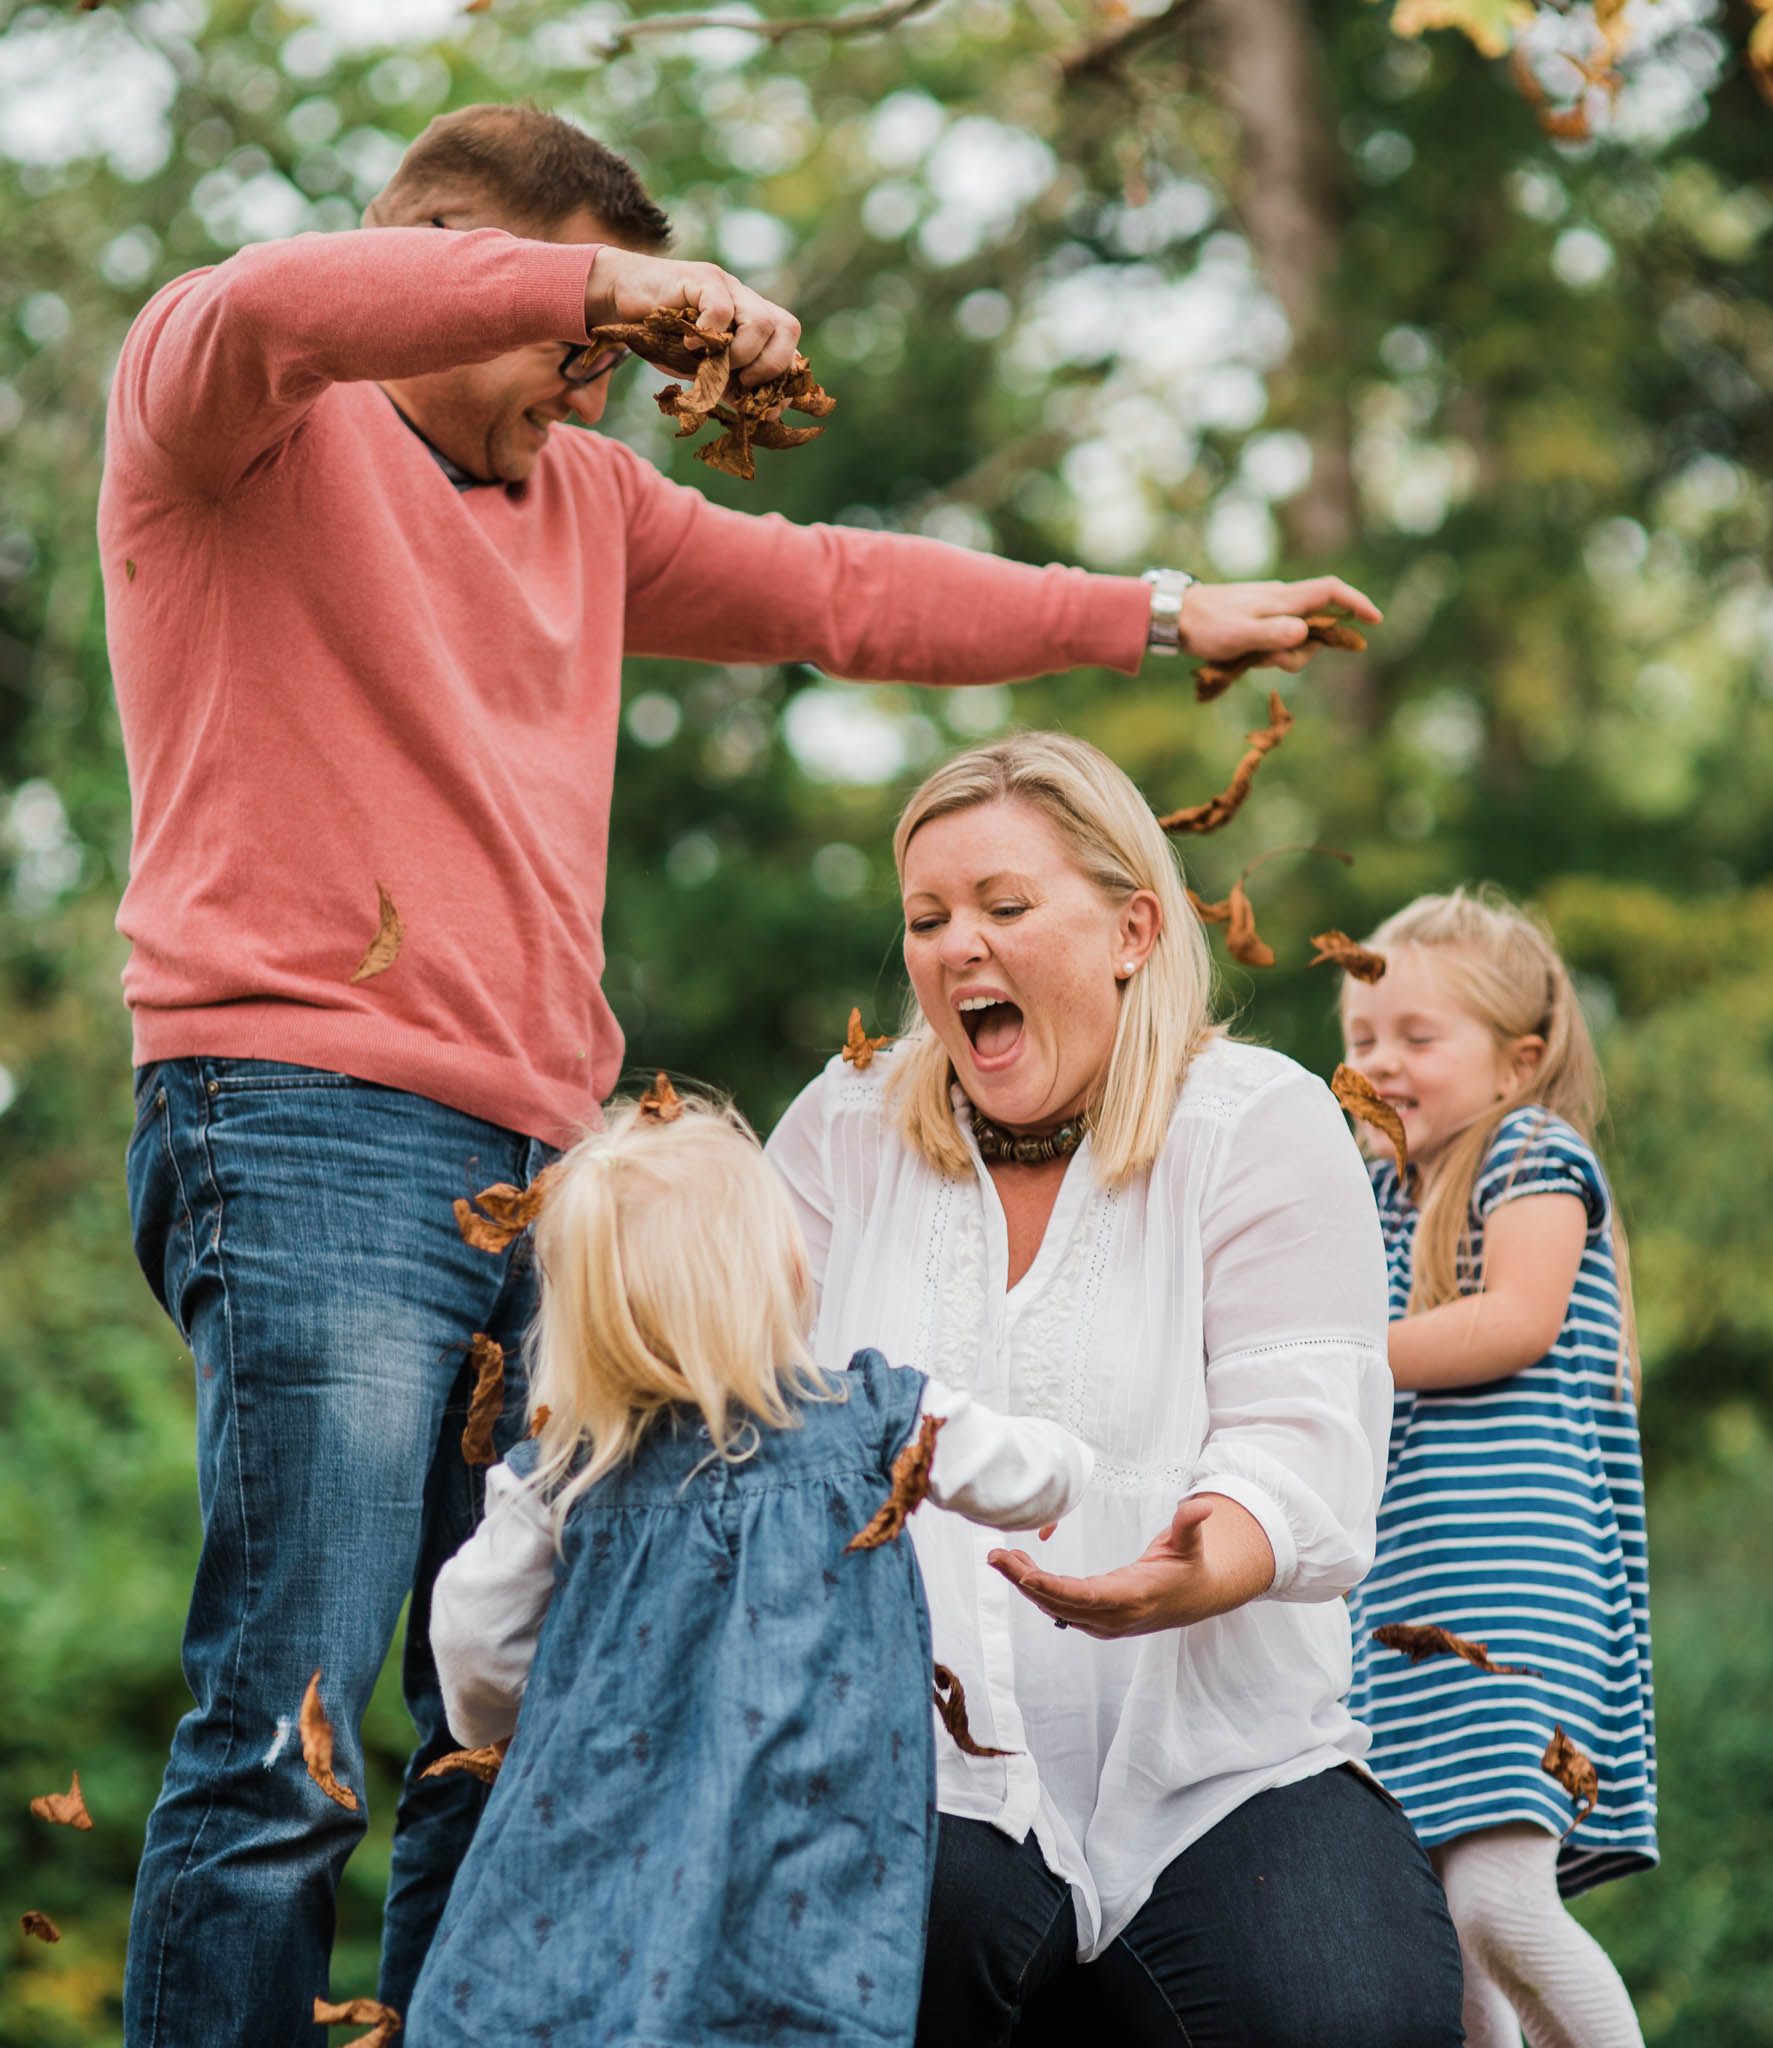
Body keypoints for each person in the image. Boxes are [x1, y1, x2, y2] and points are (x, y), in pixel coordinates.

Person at [102, 99, 1380, 2045]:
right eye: (574, 348)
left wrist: (1149, 616)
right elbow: (271, 303)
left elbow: (841, 594)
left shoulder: (589, 513)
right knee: (292, 1720)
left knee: (516, 1709)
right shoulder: (241, 426)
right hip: (302, 1120)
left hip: (552, 1170)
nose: (593, 391)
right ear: (458, 247)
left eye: (611, 360)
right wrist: (622, 280)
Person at [765, 732, 1465, 2044]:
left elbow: (1302, 1434)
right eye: (927, 918)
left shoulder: (1256, 1122)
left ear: (1133, 928)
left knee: (1339, 2015)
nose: (955, 944)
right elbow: (734, 1409)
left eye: (1004, 907)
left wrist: (1209, 1559)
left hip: (1219, 1771)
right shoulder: (842, 1126)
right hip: (905, 1775)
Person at [405, 1088, 1091, 2045]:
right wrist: (1075, 1478)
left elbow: (468, 1640)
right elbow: (1033, 1473)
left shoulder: (564, 1475)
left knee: (562, 1997)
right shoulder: (880, 1418)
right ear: (776, 1269)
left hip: (596, 1837)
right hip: (808, 1841)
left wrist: (505, 1717)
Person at [1337, 887, 1658, 2048]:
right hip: (1406, 1608)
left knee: (1497, 1901)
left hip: (1515, 1594)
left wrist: (1333, 1357)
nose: (1379, 1060)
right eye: (1362, 1037)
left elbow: (1515, 1317)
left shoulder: (1530, 1148)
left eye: (1417, 1038)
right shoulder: (1372, 1195)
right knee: (1442, 1934)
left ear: (1516, 1062)